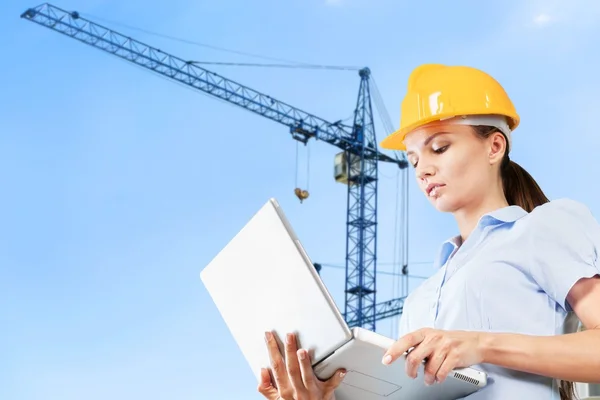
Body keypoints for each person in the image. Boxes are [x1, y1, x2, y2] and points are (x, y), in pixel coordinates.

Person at [256, 63, 600, 400]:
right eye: (414, 159)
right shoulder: (419, 300)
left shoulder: (542, 227)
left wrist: (481, 344)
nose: (423, 170)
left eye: (439, 148)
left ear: (494, 146)